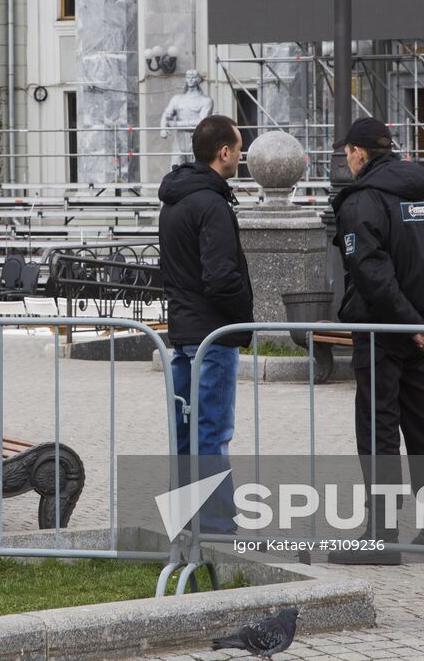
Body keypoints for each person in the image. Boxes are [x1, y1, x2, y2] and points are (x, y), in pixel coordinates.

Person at [327, 117, 424, 565]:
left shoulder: (362, 201)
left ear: (358, 152)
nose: (346, 161)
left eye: (346, 153)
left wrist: (412, 325)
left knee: (379, 429)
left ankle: (382, 535)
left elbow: (371, 274)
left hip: (382, 332)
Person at [158, 114, 253, 534]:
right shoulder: (211, 203)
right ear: (224, 152)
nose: (241, 156)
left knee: (185, 434)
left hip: (183, 333)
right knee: (211, 432)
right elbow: (221, 277)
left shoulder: (174, 199)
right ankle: (215, 524)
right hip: (211, 335)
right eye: (239, 148)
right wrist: (242, 318)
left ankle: (188, 519)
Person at [158, 69, 215, 168]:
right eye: (188, 77)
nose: (190, 80)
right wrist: (163, 128)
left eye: (193, 77)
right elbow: (166, 114)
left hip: (196, 142)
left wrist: (176, 124)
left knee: (196, 169)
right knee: (175, 168)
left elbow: (201, 122)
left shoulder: (206, 101)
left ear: (198, 80)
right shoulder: (177, 99)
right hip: (179, 143)